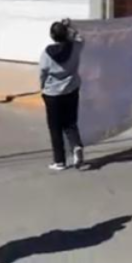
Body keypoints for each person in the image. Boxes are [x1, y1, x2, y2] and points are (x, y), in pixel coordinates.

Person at [39, 19, 86, 171]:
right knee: (71, 122)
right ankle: (77, 146)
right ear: (66, 34)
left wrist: (42, 86)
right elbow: (81, 37)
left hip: (52, 93)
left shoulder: (47, 52)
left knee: (55, 127)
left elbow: (43, 72)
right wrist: (70, 26)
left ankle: (59, 161)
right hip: (72, 89)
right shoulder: (76, 47)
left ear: (52, 36)